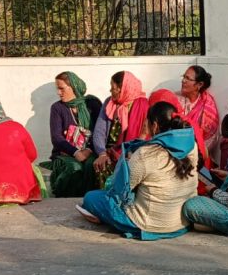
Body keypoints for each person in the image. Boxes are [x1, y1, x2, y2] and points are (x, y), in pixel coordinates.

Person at [77, 101, 198, 240]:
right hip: (181, 223)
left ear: (154, 125)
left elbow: (120, 191)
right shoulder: (192, 146)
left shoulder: (146, 153)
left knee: (91, 198)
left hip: (149, 226)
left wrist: (130, 160)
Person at [43, 72, 103, 197]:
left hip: (90, 151)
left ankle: (87, 198)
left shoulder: (92, 105)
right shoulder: (57, 108)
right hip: (65, 153)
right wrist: (75, 152)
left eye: (62, 88)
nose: (59, 93)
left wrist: (88, 150)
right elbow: (57, 138)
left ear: (73, 87)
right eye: (57, 89)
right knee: (74, 167)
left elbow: (100, 131)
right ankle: (66, 200)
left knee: (90, 165)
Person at [92, 71, 150, 178]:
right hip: (109, 152)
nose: (110, 90)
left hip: (134, 152)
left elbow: (145, 135)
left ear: (122, 89)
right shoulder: (109, 103)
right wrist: (102, 153)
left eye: (113, 88)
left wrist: (132, 154)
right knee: (101, 166)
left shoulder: (143, 105)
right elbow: (99, 131)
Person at [178, 65, 220, 165]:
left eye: (188, 78)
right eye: (183, 77)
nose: (183, 81)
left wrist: (195, 152)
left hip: (199, 155)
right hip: (176, 152)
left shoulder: (208, 105)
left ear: (199, 84)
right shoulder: (176, 98)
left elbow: (211, 137)